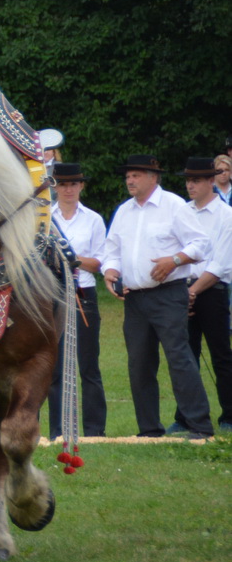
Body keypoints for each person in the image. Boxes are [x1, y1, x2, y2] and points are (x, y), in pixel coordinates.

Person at [102, 155, 214, 440]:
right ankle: (149, 429)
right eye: (128, 175)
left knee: (179, 358)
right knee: (139, 363)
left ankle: (199, 425)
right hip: (135, 299)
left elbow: (201, 244)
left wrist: (174, 260)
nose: (130, 180)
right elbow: (111, 249)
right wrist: (111, 271)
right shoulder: (124, 211)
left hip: (168, 294)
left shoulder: (174, 206)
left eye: (136, 175)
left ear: (154, 177)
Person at [172, 158, 232, 435]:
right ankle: (186, 416)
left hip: (212, 290)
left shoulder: (225, 215)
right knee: (186, 355)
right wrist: (184, 291)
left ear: (211, 181)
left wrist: (193, 292)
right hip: (182, 287)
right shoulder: (181, 212)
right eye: (187, 180)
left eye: (196, 180)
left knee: (221, 355)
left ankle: (229, 415)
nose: (190, 185)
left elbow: (220, 263)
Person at [47, 163, 107, 438]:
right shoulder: (46, 217)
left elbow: (99, 263)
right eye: (62, 184)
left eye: (73, 184)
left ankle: (94, 430)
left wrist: (73, 260)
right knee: (54, 366)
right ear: (54, 186)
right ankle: (58, 430)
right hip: (51, 294)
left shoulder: (93, 219)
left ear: (81, 186)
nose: (68, 189)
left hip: (84, 294)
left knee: (88, 364)